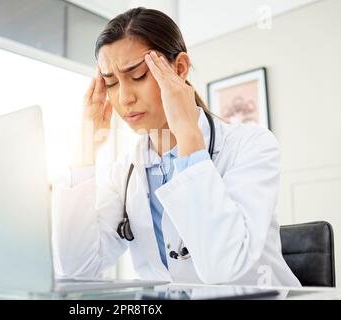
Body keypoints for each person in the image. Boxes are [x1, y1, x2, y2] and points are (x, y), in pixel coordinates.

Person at [51, 7, 301, 286]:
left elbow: (225, 268)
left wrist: (188, 137)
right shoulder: (125, 171)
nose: (124, 98)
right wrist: (85, 149)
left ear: (179, 68)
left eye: (138, 76)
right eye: (110, 83)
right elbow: (75, 270)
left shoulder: (251, 146)